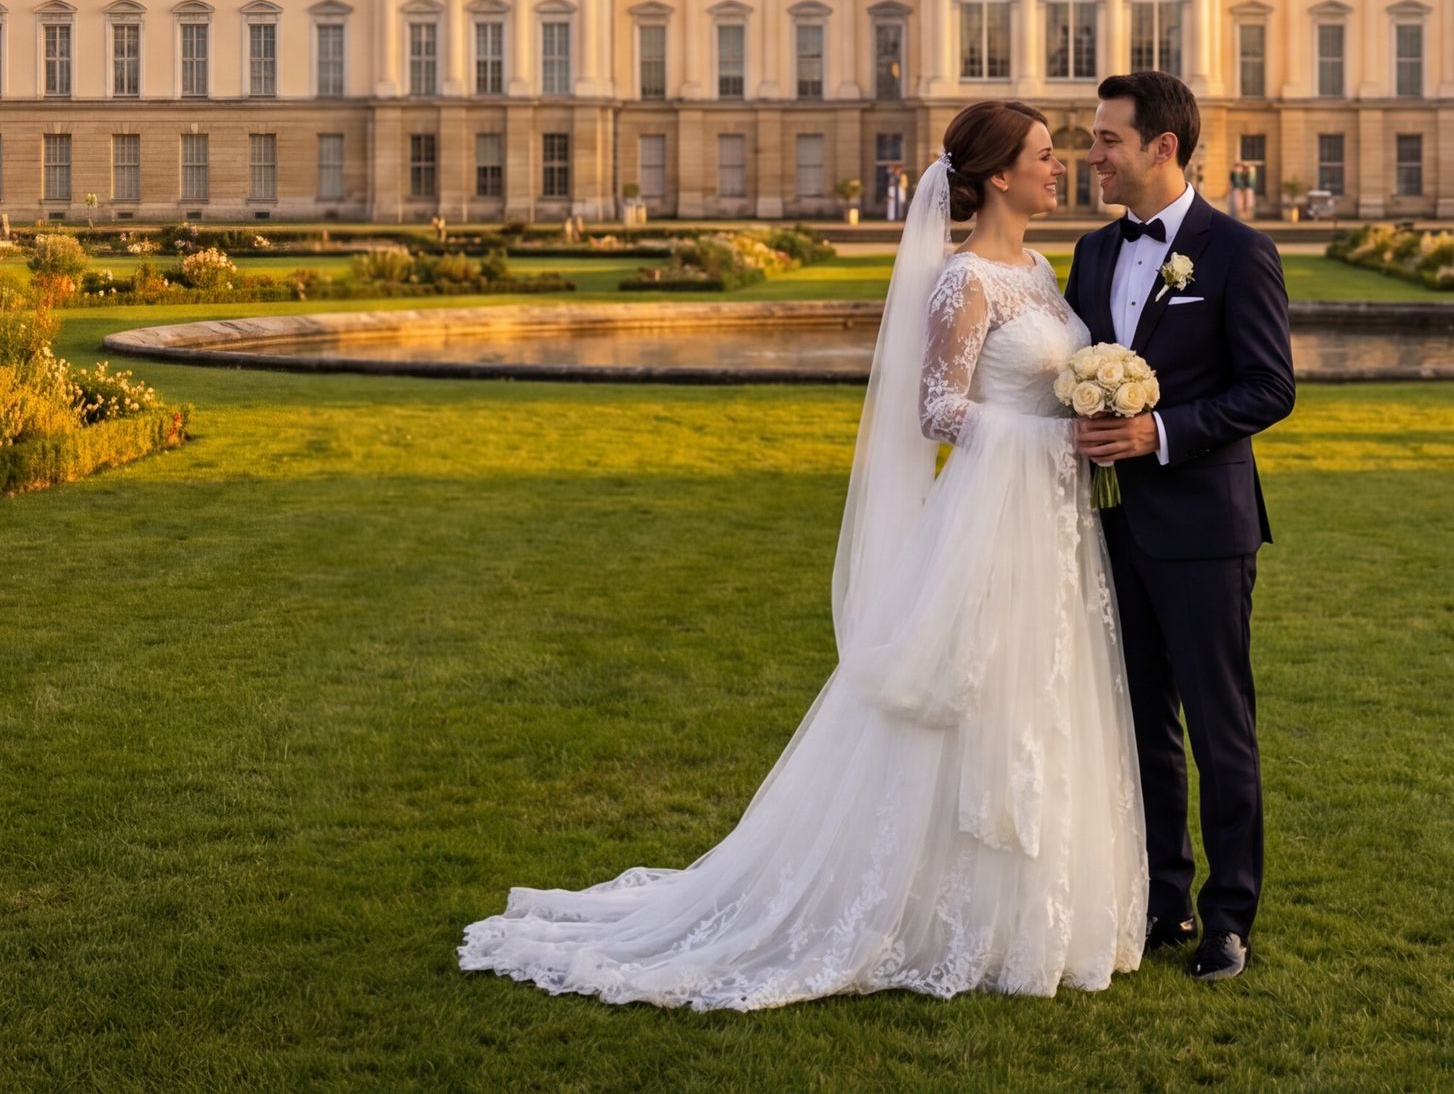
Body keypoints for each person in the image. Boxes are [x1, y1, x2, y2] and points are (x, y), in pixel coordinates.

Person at [461, 101, 1145, 1008]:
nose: (1059, 169)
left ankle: (1022, 908)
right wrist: (1046, 440)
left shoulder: (1041, 267)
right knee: (969, 697)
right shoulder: (963, 279)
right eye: (1045, 157)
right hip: (994, 508)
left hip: (1049, 518)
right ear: (997, 176)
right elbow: (936, 410)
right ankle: (935, 907)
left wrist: (1094, 407)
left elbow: (1039, 380)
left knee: (1038, 688)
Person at [1068, 71, 1297, 982]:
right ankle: (1168, 896)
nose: (1092, 153)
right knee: (1140, 722)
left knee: (1218, 723)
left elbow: (1269, 387)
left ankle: (1230, 914)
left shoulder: (1238, 251)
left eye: (1106, 139)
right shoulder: (1089, 252)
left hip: (1204, 528)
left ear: (1162, 146)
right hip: (1112, 528)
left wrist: (1156, 430)